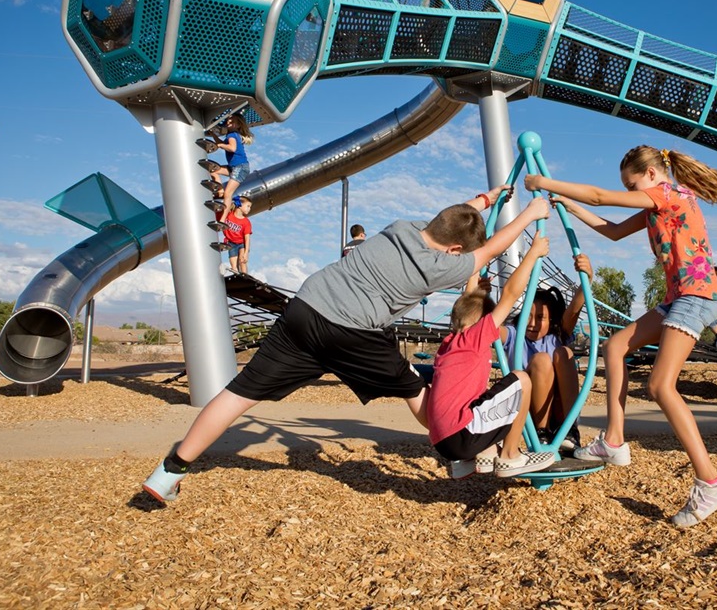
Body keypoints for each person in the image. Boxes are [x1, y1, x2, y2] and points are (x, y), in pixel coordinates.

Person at [142, 186, 551, 503]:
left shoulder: (403, 227)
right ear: (455, 251)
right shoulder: (439, 266)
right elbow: (492, 250)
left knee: (239, 393)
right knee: (414, 388)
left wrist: (485, 199)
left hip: (304, 308)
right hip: (352, 331)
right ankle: (461, 451)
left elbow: (450, 218)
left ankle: (169, 472)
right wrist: (531, 213)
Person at [525, 144, 717, 528]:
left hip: (698, 295)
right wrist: (571, 207)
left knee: (660, 386)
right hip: (678, 298)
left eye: (632, 184)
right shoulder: (659, 204)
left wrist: (544, 181)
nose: (630, 191)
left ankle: (711, 482)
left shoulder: (667, 194)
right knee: (614, 347)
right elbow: (615, 231)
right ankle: (614, 440)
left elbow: (599, 196)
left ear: (652, 174)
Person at [427, 232, 557, 479]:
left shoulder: (450, 344)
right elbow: (510, 294)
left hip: (442, 440)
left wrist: (474, 283)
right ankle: (510, 455)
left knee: (484, 397)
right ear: (480, 322)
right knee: (522, 380)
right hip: (461, 435)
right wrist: (533, 253)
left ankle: (479, 456)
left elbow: (466, 306)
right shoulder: (474, 337)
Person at [500, 254, 591, 451]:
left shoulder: (556, 337)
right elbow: (488, 326)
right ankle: (542, 433)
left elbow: (574, 309)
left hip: (559, 408)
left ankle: (570, 429)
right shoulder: (514, 335)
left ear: (551, 321)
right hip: (530, 412)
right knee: (541, 360)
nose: (532, 323)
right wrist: (480, 295)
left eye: (540, 317)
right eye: (528, 316)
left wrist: (587, 279)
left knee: (564, 352)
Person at [204, 113, 253, 224]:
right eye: (228, 121)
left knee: (228, 194)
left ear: (238, 125)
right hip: (234, 167)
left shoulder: (232, 135)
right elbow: (221, 143)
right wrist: (213, 135)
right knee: (213, 169)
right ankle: (220, 190)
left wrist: (220, 145)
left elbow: (232, 148)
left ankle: (223, 219)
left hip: (240, 167)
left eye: (232, 121)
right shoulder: (232, 135)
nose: (228, 122)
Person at [222, 196, 253, 274]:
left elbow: (247, 238)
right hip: (231, 243)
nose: (249, 209)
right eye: (248, 206)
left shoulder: (246, 222)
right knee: (234, 265)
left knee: (242, 261)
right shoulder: (228, 215)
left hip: (241, 243)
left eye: (250, 207)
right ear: (240, 205)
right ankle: (236, 275)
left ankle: (245, 276)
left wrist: (246, 253)